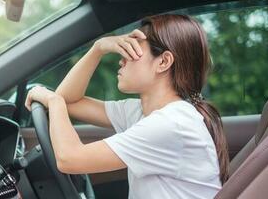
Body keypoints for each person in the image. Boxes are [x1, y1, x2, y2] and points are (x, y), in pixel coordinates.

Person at [25, 14, 229, 199]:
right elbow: (69, 100)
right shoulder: (143, 111)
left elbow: (69, 159)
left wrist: (53, 101)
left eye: (132, 48)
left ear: (163, 62)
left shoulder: (171, 124)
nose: (121, 60)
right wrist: (98, 49)